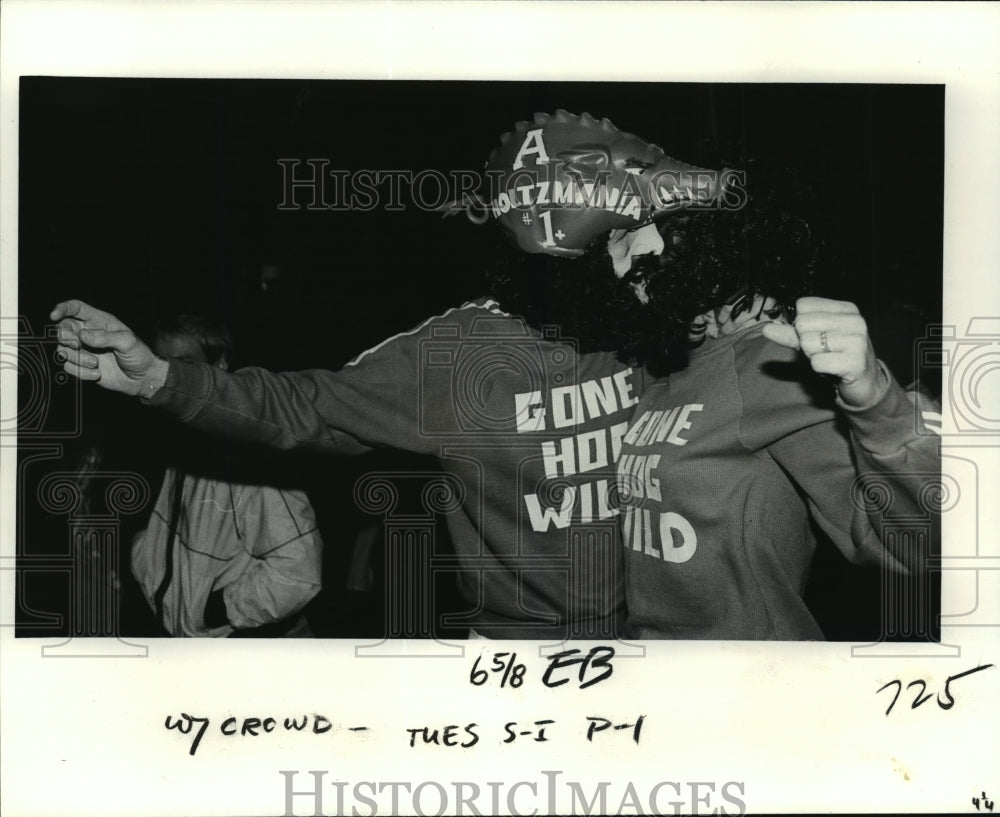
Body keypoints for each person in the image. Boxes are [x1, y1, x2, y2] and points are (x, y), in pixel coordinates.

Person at [50, 110, 732, 640]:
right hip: (519, 657)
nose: (650, 255)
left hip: (653, 638)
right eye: (622, 236)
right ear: (571, 250)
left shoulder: (657, 324)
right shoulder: (458, 353)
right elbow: (304, 406)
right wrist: (159, 378)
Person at [609, 189, 941, 639]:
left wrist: (876, 401)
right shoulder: (664, 370)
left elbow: (916, 543)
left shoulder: (765, 360)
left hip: (750, 673)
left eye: (631, 232)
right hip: (654, 669)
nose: (619, 252)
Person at [130, 313, 323, 637]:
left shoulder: (251, 457)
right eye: (162, 362)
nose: (169, 377)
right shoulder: (180, 439)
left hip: (248, 652)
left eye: (185, 364)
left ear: (219, 365)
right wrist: (141, 558)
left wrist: (218, 608)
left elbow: (299, 575)